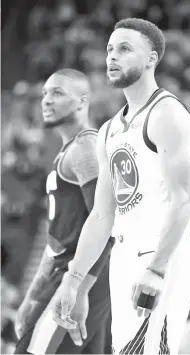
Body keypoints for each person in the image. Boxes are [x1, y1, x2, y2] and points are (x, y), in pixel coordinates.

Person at [52, 18, 190, 355]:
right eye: (109, 50)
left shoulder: (166, 115)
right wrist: (73, 282)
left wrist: (157, 269)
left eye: (124, 48)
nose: (111, 57)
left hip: (158, 255)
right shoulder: (108, 131)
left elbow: (185, 200)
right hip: (123, 256)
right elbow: (102, 215)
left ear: (151, 58)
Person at [14, 68, 114, 354]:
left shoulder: (85, 148)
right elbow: (55, 240)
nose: (46, 100)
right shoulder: (69, 150)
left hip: (81, 273)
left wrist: (80, 287)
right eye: (45, 93)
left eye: (57, 93)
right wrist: (31, 297)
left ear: (82, 102)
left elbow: (108, 223)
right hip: (76, 273)